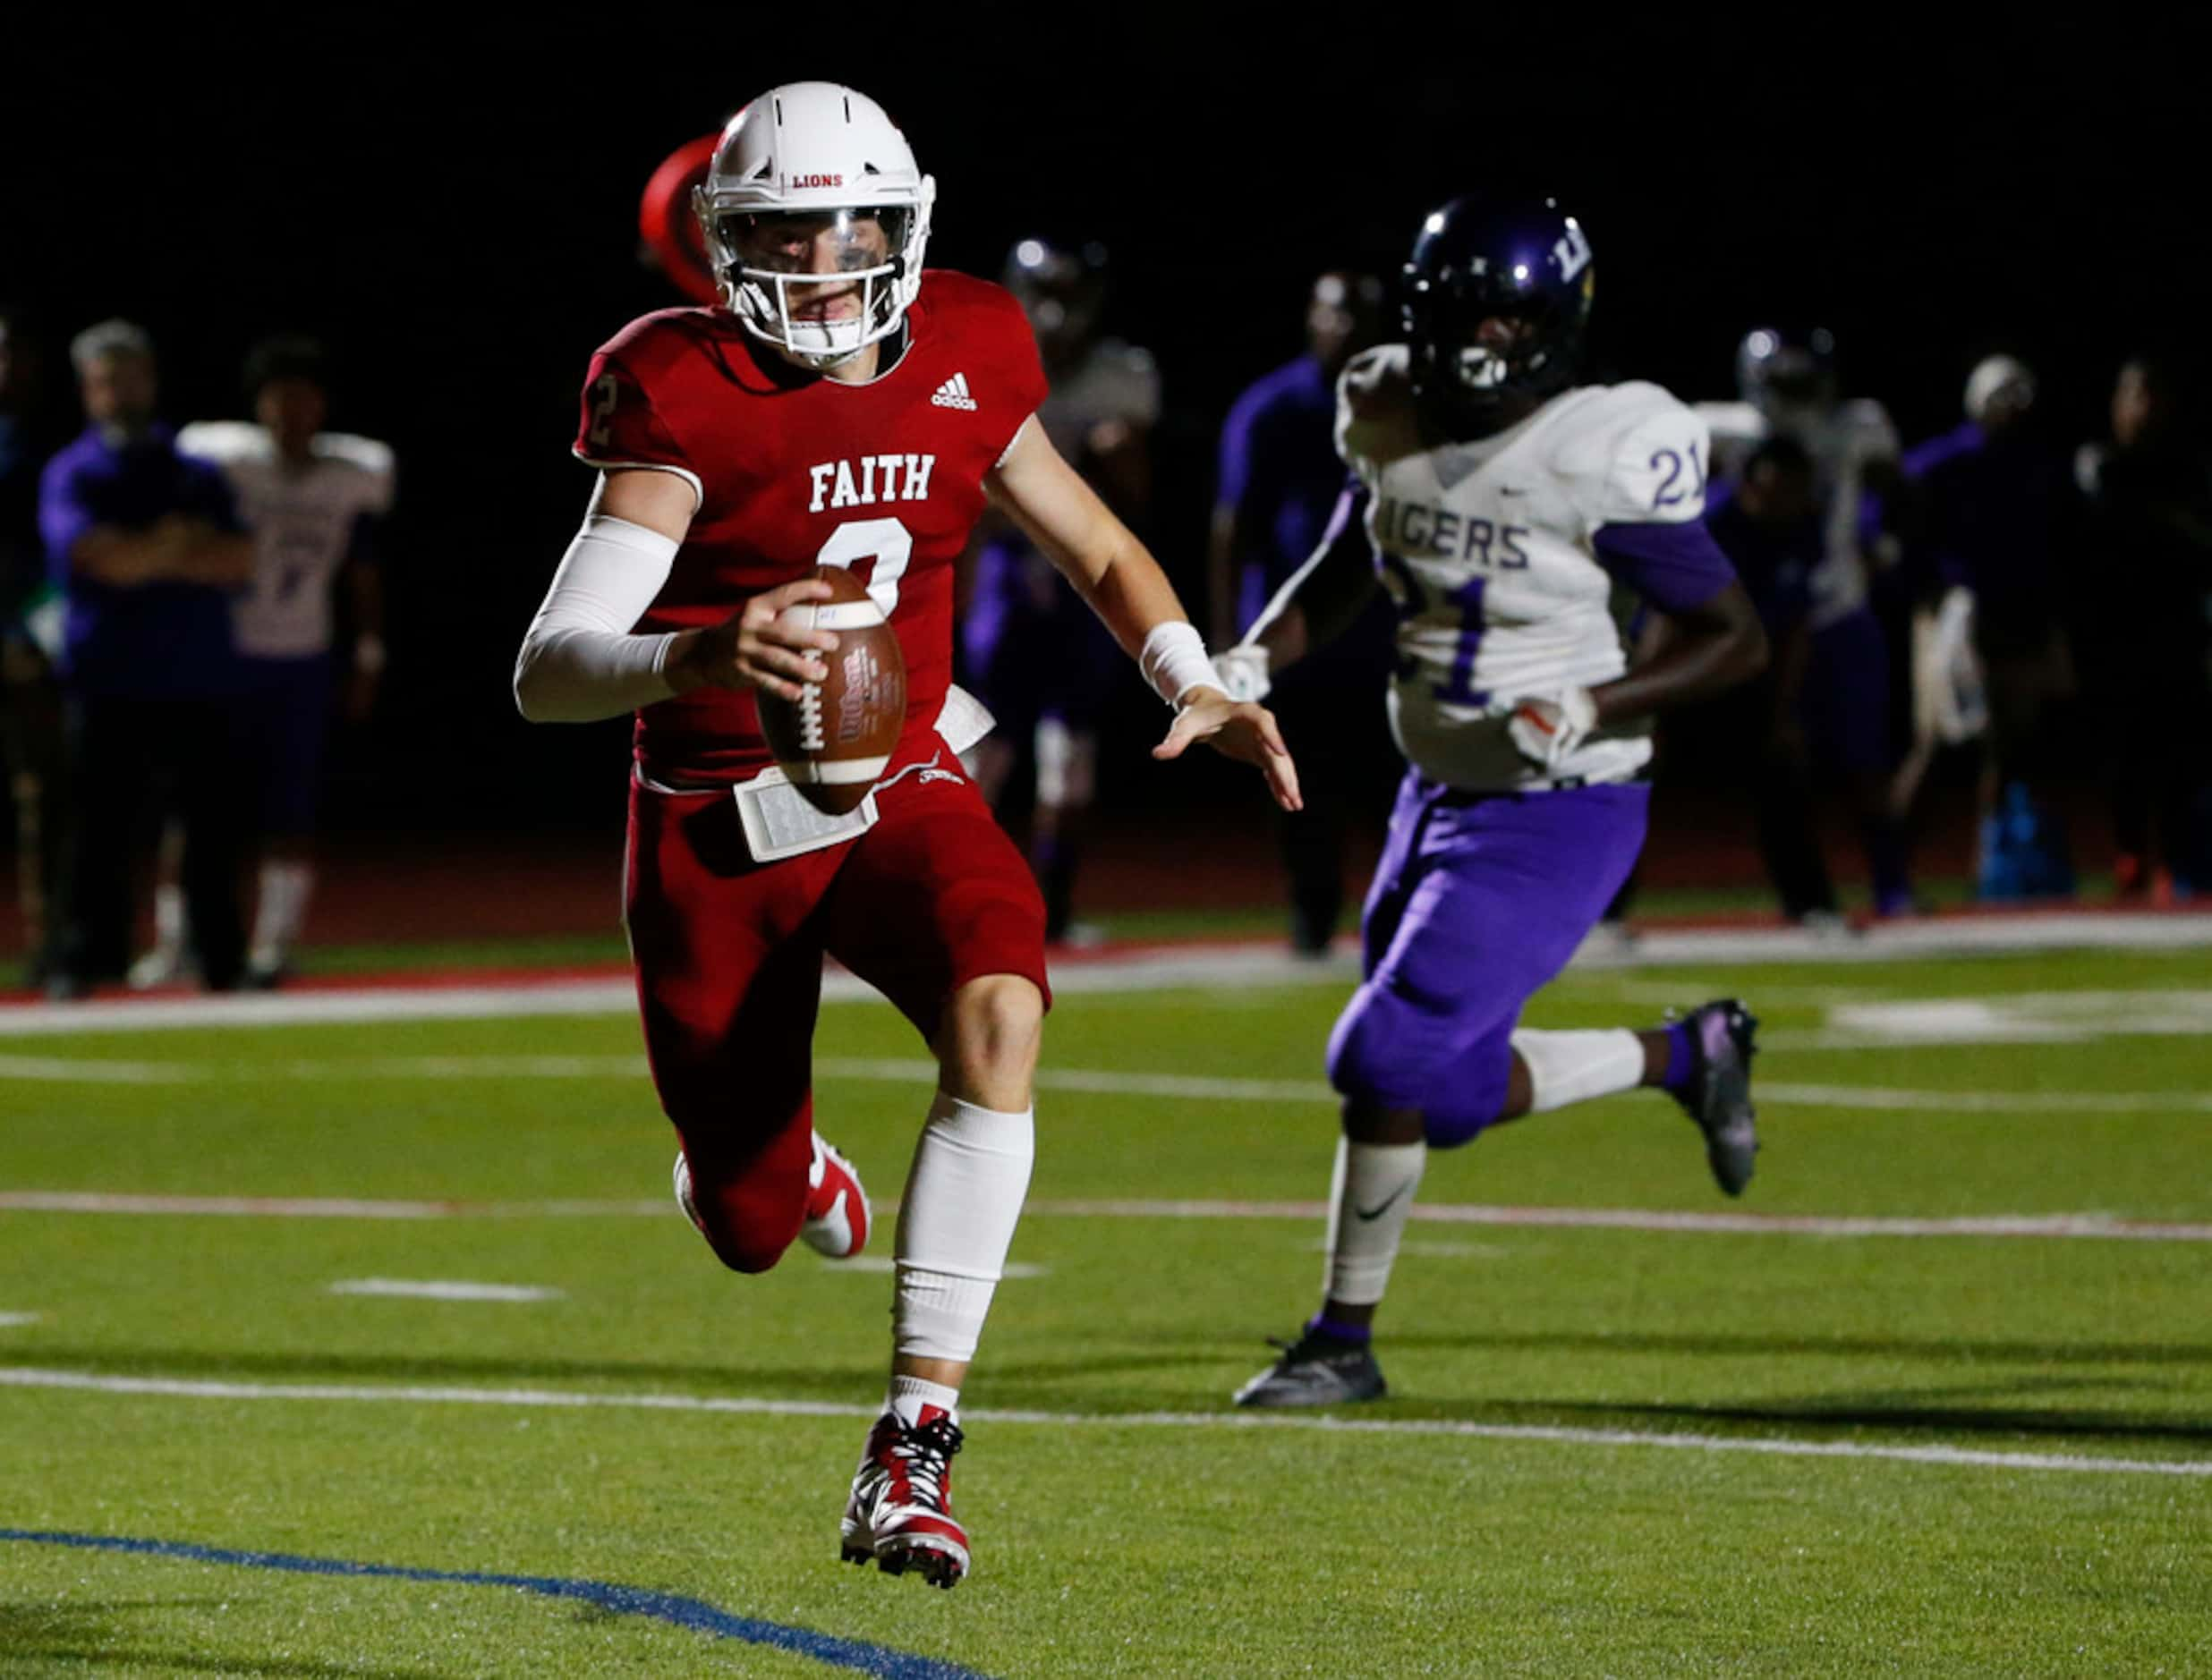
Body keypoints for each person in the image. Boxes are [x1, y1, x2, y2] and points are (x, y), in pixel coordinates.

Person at [513, 83, 1296, 1585]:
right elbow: (548, 665)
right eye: (783, 230)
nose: (819, 257)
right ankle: (791, 1172)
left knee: (1004, 1002)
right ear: (726, 245)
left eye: (846, 222)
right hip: (714, 818)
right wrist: (704, 651)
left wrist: (1194, 674)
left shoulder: (973, 339)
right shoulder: (679, 384)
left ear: (900, 225)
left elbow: (1095, 542)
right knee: (743, 1220)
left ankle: (912, 1445)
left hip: (900, 779)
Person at [1216, 196, 1768, 1410]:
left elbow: (1733, 637)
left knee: (1383, 1053)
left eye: (1503, 322)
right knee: (1444, 1092)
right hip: (1436, 790)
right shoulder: (1384, 401)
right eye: (1459, 318)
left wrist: (1600, 701)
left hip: (1557, 805)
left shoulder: (1600, 448)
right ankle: (1693, 1051)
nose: (1477, 348)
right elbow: (1363, 551)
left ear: (1555, 325)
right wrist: (1254, 654)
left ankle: (1342, 1342)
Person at [130, 338, 394, 988]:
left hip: (301, 656)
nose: (291, 411)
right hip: (221, 652)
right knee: (193, 809)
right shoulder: (223, 456)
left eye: (303, 396)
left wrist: (367, 651)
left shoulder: (356, 470)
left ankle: (276, 943)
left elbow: (363, 567)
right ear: (258, 405)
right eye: (278, 397)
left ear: (322, 404)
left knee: (290, 809)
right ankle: (175, 943)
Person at [38, 321, 254, 997]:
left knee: (211, 834)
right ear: (86, 390)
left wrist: (143, 553)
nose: (119, 392)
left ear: (152, 381)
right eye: (106, 380)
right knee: (97, 835)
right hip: (107, 679)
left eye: (130, 376)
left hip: (197, 675)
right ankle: (85, 961)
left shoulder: (195, 470)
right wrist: (175, 546)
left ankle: (222, 962)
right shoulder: (73, 472)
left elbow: (238, 559)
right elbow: (102, 560)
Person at [959, 236, 1160, 942]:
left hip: (1081, 576)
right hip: (1010, 572)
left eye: (1072, 295)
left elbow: (1135, 499)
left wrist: (1116, 459)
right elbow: (969, 500)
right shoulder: (992, 369)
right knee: (985, 751)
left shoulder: (1121, 375)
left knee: (1068, 760)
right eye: (1048, 292)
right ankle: (955, 902)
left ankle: (1053, 911)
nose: (1057, 311)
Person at [1208, 272, 1399, 954]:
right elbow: (1233, 528)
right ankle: (1311, 919)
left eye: (1359, 315)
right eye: (1334, 314)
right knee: (1302, 790)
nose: (1345, 329)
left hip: (1383, 636)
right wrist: (1230, 640)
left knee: (1398, 794)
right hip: (1296, 635)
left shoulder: (1405, 405)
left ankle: (1409, 922)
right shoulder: (1273, 408)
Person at [1699, 327, 1915, 918]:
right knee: (1773, 763)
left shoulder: (1855, 426)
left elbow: (1888, 484)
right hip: (1761, 617)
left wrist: (1875, 530)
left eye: (1803, 380)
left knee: (1866, 762)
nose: (1796, 395)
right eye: (1785, 381)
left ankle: (1891, 887)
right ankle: (1805, 894)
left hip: (1838, 611)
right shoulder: (1728, 430)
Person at [1899, 355, 2078, 899]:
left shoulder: (2037, 463)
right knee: (1937, 743)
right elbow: (1893, 509)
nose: (2013, 411)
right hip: (1958, 614)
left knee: (2012, 747)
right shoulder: (1947, 460)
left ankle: (1996, 869)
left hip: (2019, 613)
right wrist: (1928, 584)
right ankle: (1893, 871)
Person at [2074, 355, 2212, 898]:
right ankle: (2130, 853)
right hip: (2116, 634)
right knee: (2122, 755)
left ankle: (2178, 861)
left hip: (2178, 630)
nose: (2145, 410)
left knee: (2183, 754)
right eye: (2135, 397)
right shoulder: (2098, 464)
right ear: (2116, 406)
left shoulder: (2190, 468)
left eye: (2153, 397)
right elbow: (2081, 551)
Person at [0, 304, 70, 987]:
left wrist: (34, 632)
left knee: (41, 796)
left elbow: (53, 554)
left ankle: (47, 938)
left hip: (23, 644)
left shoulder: (44, 445)